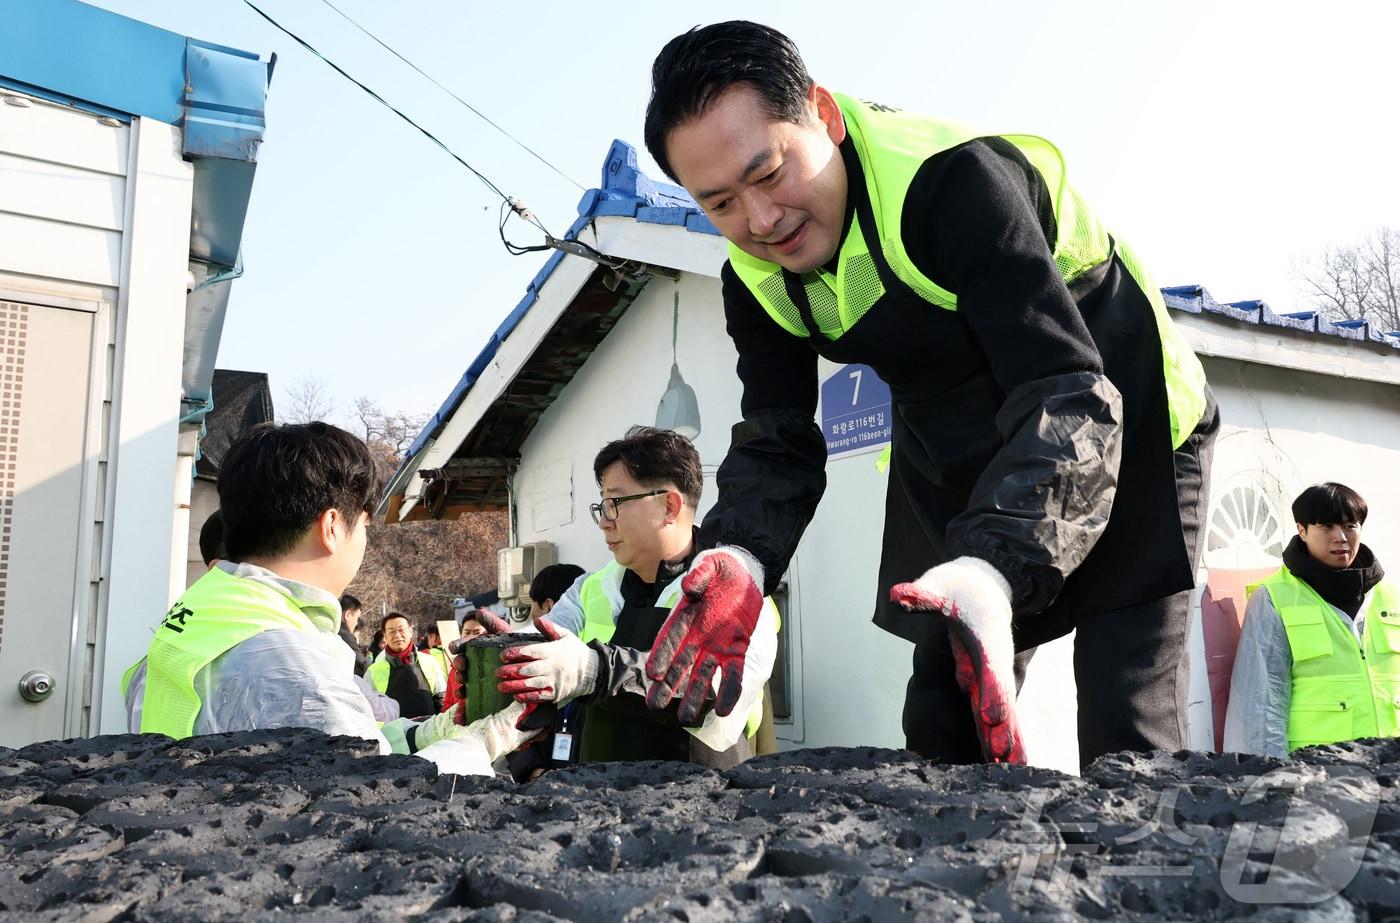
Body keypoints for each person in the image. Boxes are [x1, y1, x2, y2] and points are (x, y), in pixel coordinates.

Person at [640, 22, 1218, 767]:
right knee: (946, 720)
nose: (761, 220)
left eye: (772, 171)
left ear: (824, 113)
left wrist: (991, 569)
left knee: (1124, 712)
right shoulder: (751, 275)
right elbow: (778, 435)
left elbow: (1068, 391)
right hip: (956, 432)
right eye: (718, 202)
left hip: (1114, 394)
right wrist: (738, 559)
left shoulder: (953, 183)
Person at [121, 421, 533, 776]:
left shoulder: (206, 614)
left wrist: (425, 733)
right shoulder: (289, 659)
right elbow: (377, 787)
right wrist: (480, 746)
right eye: (364, 526)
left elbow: (347, 744)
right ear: (332, 525)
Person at [495, 426, 779, 769]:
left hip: (703, 800)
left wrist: (599, 672)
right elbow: (544, 649)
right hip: (601, 793)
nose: (604, 522)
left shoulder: (738, 594)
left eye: (614, 503)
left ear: (669, 505)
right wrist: (503, 654)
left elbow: (714, 698)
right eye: (601, 506)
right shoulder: (590, 589)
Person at [1224, 483, 1398, 757]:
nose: (1341, 537)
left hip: (1390, 770)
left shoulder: (1391, 597)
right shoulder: (1274, 598)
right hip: (1316, 775)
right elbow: (1260, 704)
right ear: (1302, 530)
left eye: (1351, 526)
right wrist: (1266, 778)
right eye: (1326, 527)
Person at [368, 613, 447, 719]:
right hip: (392, 733)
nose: (397, 635)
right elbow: (369, 710)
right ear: (385, 636)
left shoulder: (429, 661)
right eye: (391, 631)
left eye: (401, 630)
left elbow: (442, 699)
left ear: (410, 631)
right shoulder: (373, 671)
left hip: (429, 730)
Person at [338, 592, 368, 677]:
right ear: (348, 615)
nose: (356, 623)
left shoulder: (329, 631)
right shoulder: (345, 636)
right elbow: (361, 663)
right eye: (357, 618)